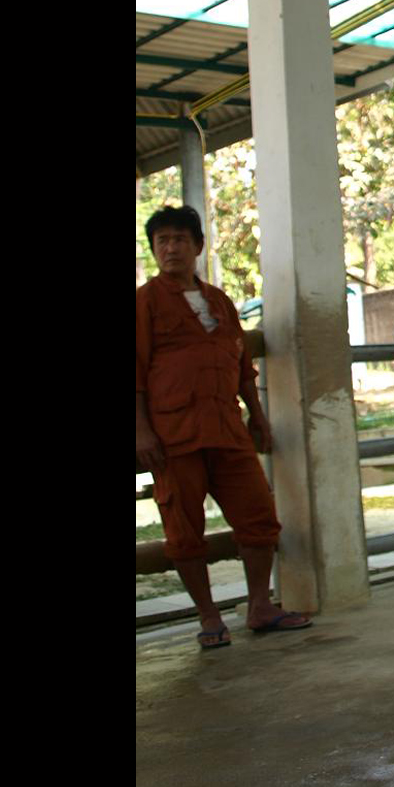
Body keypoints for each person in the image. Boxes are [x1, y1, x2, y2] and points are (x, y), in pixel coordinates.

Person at [136, 204, 311, 648]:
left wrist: (258, 415)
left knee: (259, 518)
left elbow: (242, 367)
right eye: (162, 241)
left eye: (179, 239)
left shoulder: (219, 301)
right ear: (154, 250)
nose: (171, 248)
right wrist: (141, 432)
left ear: (197, 246)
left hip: (229, 430)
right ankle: (209, 617)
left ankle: (260, 606)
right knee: (183, 530)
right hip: (174, 436)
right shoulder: (144, 302)